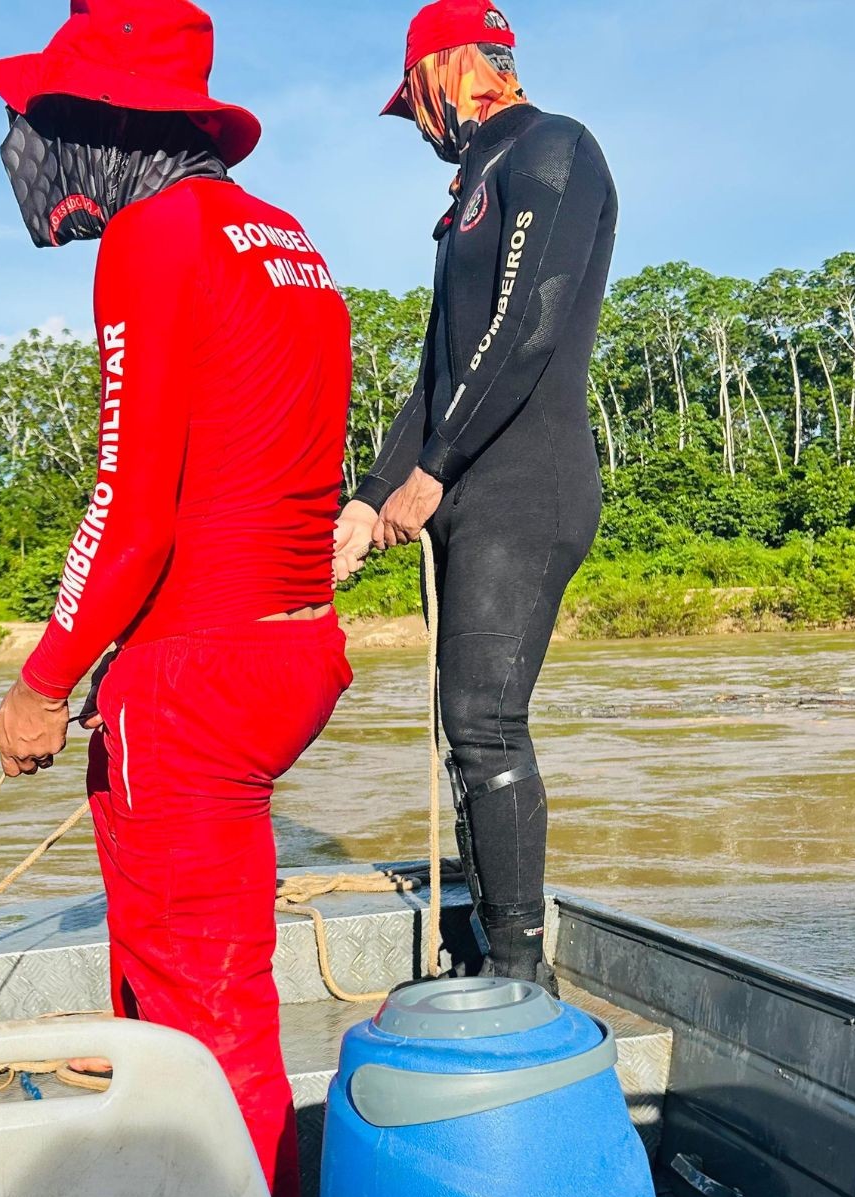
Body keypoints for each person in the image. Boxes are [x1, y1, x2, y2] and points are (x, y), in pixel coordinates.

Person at [0, 3, 354, 1195]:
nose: (16, 145)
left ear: (88, 124)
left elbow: (127, 500)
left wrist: (44, 681)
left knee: (203, 1013)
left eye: (28, 119)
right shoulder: (280, 234)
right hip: (293, 651)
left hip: (196, 678)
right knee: (189, 984)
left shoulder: (150, 237)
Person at [334, 0, 618, 992]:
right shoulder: (467, 191)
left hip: (523, 482)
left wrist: (435, 466)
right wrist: (370, 494)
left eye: (410, 100)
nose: (413, 124)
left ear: (449, 72)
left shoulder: (553, 151)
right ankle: (497, 947)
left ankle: (518, 973)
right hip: (462, 477)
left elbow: (523, 329)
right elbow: (440, 364)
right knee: (467, 727)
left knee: (487, 721)